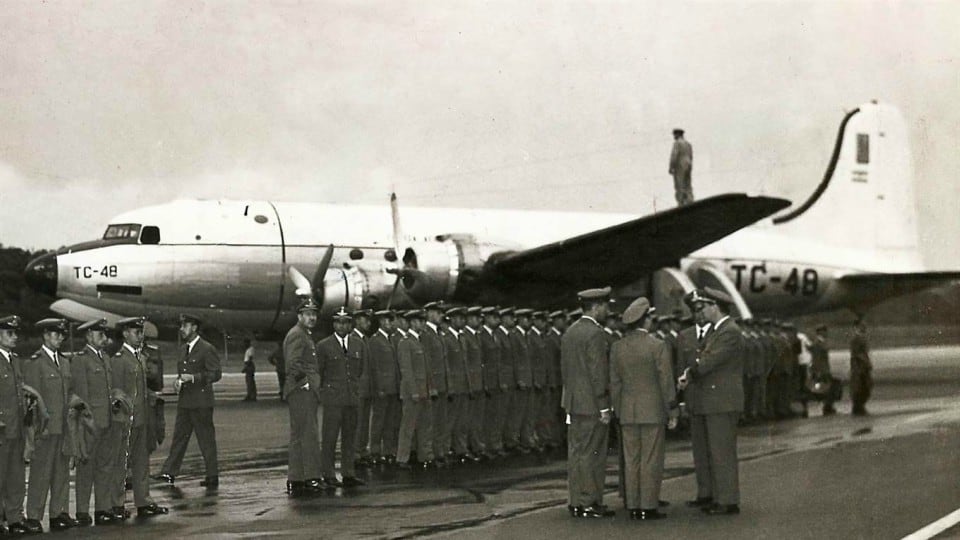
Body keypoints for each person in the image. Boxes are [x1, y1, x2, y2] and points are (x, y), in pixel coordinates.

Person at [677, 288, 743, 515]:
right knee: (714, 451)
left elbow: (710, 360)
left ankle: (727, 500)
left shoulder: (728, 331)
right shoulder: (720, 330)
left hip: (721, 401)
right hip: (713, 400)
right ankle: (717, 496)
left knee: (721, 452)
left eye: (705, 306)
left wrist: (689, 374)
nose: (702, 311)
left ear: (715, 307)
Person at [611, 297, 676, 520]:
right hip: (652, 411)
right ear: (645, 320)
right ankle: (647, 506)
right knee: (651, 459)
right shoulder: (657, 346)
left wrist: (618, 409)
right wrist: (672, 409)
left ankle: (633, 505)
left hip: (627, 411)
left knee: (631, 460)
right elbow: (666, 381)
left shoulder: (618, 347)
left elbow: (615, 383)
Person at [22, 318, 81, 532]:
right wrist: (37, 429)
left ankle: (58, 514)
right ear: (45, 336)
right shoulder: (35, 363)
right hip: (45, 429)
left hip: (64, 427)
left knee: (61, 473)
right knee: (41, 474)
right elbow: (31, 400)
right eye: (56, 334)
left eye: (62, 335)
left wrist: (75, 405)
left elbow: (70, 391)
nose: (60, 338)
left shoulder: (64, 362)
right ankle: (33, 517)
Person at [561, 287, 614, 519]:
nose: (607, 311)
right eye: (605, 306)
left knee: (576, 453)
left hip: (574, 402)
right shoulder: (595, 334)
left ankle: (576, 501)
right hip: (592, 404)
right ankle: (589, 501)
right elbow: (597, 373)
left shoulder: (570, 331)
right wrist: (604, 405)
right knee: (593, 453)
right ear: (596, 307)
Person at [110, 317, 168, 519]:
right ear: (125, 334)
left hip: (142, 418)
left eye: (141, 332)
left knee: (142, 462)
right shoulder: (119, 359)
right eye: (136, 332)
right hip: (126, 420)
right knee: (121, 463)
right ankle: (116, 504)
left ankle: (144, 501)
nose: (140, 336)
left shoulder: (140, 357)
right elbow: (115, 392)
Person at [156, 314, 223, 488]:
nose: (182, 329)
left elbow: (216, 374)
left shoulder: (207, 349)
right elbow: (183, 373)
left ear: (194, 328)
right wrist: (178, 382)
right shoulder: (182, 349)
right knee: (179, 438)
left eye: (185, 326)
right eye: (181, 326)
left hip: (201, 402)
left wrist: (194, 378)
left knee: (206, 440)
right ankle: (169, 472)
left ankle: (212, 475)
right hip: (185, 402)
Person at [71, 319, 123, 526]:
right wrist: (87, 422)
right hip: (91, 424)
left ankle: (103, 508)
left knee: (105, 466)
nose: (104, 338)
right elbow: (82, 395)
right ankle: (82, 511)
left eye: (105, 334)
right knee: (86, 468)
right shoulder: (81, 360)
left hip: (108, 420)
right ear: (88, 336)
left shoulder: (105, 358)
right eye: (100, 334)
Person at [316, 307, 366, 487]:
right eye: (338, 322)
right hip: (333, 400)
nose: (342, 326)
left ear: (350, 325)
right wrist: (326, 393)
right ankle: (328, 474)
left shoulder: (358, 344)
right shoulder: (324, 346)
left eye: (345, 323)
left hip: (351, 398)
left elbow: (359, 370)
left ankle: (348, 473)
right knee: (330, 438)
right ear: (333, 324)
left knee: (350, 437)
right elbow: (319, 372)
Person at [283, 298, 323, 497]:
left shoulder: (302, 333)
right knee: (308, 434)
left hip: (300, 391)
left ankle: (297, 477)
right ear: (300, 316)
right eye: (307, 314)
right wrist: (305, 382)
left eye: (314, 314)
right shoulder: (298, 335)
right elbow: (293, 363)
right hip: (301, 391)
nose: (312, 318)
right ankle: (311, 477)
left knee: (299, 435)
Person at [0, 316, 30, 534]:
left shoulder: (15, 360)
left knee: (16, 477)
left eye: (16, 333)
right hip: (2, 429)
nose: (15, 337)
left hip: (17, 428)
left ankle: (14, 518)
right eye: (10, 333)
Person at [396, 310, 435, 469]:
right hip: (412, 392)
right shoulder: (405, 342)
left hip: (424, 391)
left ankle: (425, 456)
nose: (423, 324)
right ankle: (402, 458)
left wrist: (430, 388)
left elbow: (427, 369)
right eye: (420, 321)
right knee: (408, 426)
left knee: (425, 425)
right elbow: (407, 370)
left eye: (424, 321)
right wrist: (413, 391)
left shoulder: (420, 341)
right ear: (412, 323)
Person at [367, 310, 401, 465]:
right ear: (382, 322)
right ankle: (374, 451)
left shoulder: (391, 339)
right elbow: (374, 367)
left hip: (393, 387)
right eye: (388, 321)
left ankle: (388, 451)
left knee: (390, 421)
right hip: (382, 388)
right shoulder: (375, 340)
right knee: (379, 421)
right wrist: (379, 387)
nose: (391, 324)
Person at [421, 302, 450, 464]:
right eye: (438, 313)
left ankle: (439, 452)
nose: (441, 316)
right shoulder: (426, 334)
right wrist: (430, 386)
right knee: (429, 422)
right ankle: (428, 454)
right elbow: (427, 363)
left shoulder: (438, 333)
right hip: (433, 385)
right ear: (430, 314)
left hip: (442, 384)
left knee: (441, 421)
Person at [351, 310, 374, 468]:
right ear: (358, 321)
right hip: (358, 389)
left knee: (365, 421)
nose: (368, 323)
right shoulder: (353, 339)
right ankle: (355, 453)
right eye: (365, 320)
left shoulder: (366, 339)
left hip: (367, 388)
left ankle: (362, 450)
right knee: (357, 422)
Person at [807, 325, 837, 415]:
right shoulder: (818, 343)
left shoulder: (821, 342)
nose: (826, 333)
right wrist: (818, 371)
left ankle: (828, 406)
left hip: (824, 369)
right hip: (822, 370)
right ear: (820, 332)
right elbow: (816, 359)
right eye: (824, 331)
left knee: (827, 388)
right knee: (825, 388)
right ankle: (827, 407)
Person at [849, 320, 873, 415]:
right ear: (857, 327)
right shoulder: (856, 339)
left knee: (866, 386)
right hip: (859, 367)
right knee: (860, 387)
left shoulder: (862, 338)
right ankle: (858, 407)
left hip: (863, 366)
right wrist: (867, 363)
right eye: (862, 326)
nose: (864, 327)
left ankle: (859, 406)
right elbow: (857, 354)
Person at [669, 128, 694, 205]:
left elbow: (674, 155)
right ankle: (690, 200)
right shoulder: (688, 144)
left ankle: (681, 202)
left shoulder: (677, 143)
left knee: (680, 184)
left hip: (680, 165)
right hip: (688, 164)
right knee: (688, 184)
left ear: (677, 134)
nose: (674, 136)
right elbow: (691, 156)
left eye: (674, 135)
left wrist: (671, 167)